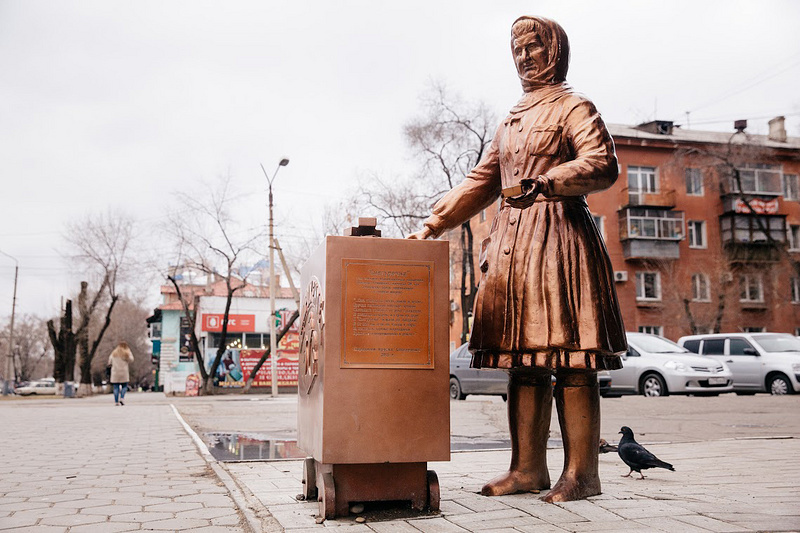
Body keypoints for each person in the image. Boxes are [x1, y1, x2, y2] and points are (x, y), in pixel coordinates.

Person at [409, 16, 626, 502]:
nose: (525, 57)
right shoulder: (510, 121)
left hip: (562, 241)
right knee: (524, 362)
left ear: (555, 51)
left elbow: (601, 163)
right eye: (517, 49)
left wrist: (548, 182)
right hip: (514, 245)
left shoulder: (574, 107)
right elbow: (481, 181)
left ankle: (583, 474)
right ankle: (527, 469)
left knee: (572, 361)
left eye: (534, 47)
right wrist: (434, 223)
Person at [108, 341, 134, 406]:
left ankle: (116, 402)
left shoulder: (114, 353)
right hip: (124, 372)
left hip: (115, 372)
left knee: (116, 387)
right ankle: (122, 398)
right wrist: (129, 352)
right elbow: (132, 360)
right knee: (124, 386)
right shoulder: (126, 353)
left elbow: (109, 362)